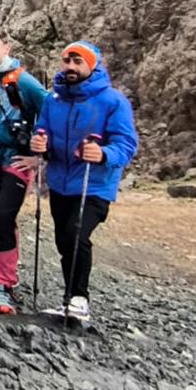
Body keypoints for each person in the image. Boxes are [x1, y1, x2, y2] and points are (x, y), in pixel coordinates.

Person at [29, 40, 139, 325]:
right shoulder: (53, 100)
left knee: (76, 233)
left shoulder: (113, 101)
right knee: (64, 240)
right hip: (60, 182)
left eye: (78, 62)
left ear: (93, 66)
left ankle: (79, 299)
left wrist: (103, 153)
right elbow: (42, 129)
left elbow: (126, 143)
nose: (71, 67)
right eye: (67, 61)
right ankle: (71, 300)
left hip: (94, 183)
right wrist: (41, 142)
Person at [0, 32, 47, 315]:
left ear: (6, 49)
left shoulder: (23, 80)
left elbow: (49, 108)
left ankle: (5, 285)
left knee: (5, 217)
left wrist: (39, 153)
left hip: (17, 159)